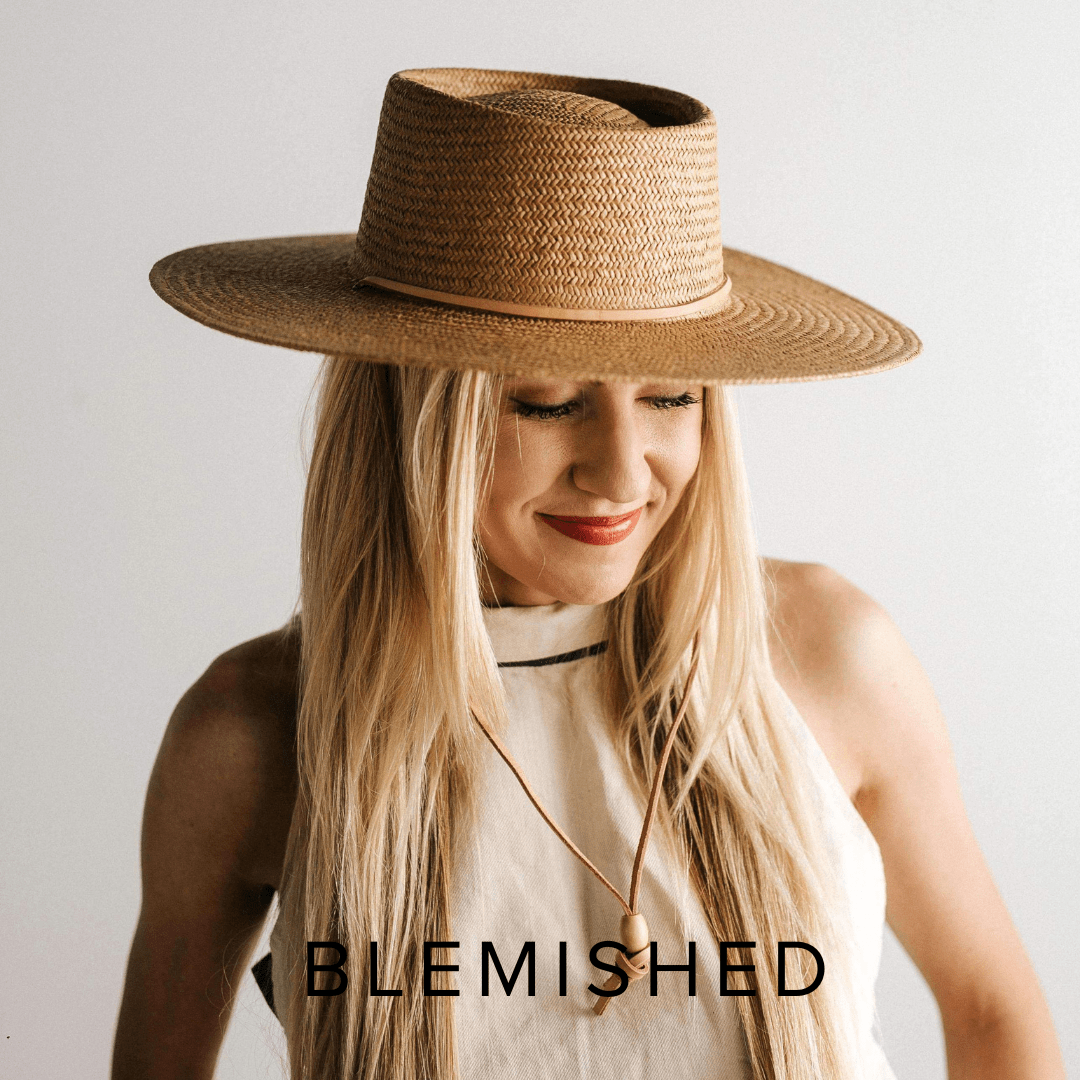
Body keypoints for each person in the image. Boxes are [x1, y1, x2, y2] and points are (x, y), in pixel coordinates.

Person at [112, 68, 1064, 1080]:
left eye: (671, 397)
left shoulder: (825, 653)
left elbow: (992, 1011)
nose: (621, 473)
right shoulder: (254, 733)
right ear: (414, 418)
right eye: (547, 402)